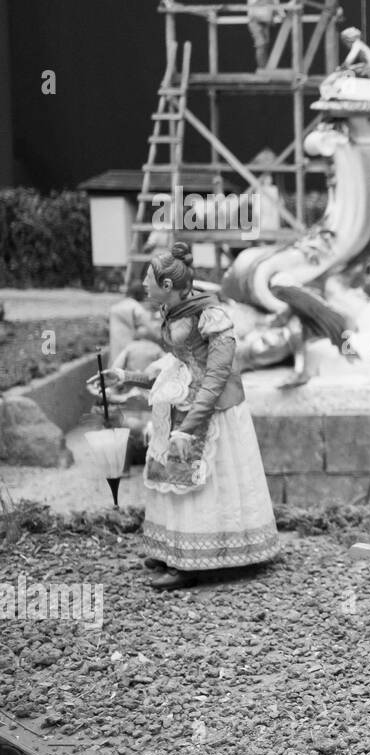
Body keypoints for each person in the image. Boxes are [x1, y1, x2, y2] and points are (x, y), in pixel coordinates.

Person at [98, 243, 278, 589]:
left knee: (198, 480)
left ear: (167, 286)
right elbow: (179, 362)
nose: (143, 285)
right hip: (181, 399)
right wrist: (126, 378)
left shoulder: (211, 315)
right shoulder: (173, 309)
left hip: (212, 408)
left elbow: (217, 373)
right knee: (172, 477)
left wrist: (191, 426)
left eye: (148, 279)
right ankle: (173, 548)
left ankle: (194, 560)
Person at [107, 283, 161, 365]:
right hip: (128, 347)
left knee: (115, 365)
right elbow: (152, 329)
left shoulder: (116, 307)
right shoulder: (136, 307)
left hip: (115, 344)